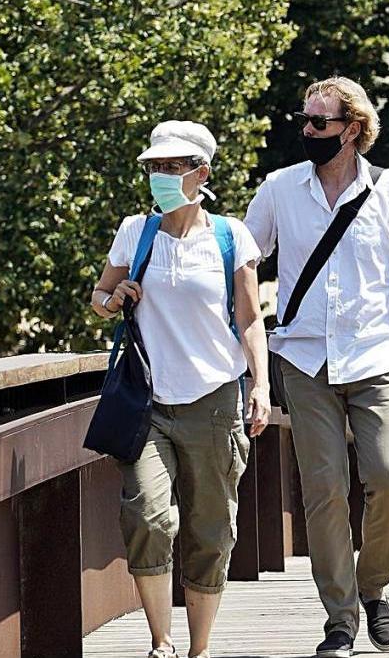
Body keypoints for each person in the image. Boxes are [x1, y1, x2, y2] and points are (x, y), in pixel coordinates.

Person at [244, 76, 389, 658]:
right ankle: (340, 618)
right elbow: (242, 261)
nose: (306, 131)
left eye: (319, 123)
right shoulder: (279, 189)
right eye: (303, 121)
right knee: (323, 490)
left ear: (353, 130)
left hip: (376, 356)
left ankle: (372, 588)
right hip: (303, 357)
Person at [91, 121, 270, 658]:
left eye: (174, 168)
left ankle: (200, 648)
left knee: (210, 528)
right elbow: (99, 298)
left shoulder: (230, 235)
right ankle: (161, 642)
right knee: (148, 515)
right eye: (155, 168)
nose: (162, 177)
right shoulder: (135, 231)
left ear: (202, 173)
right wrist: (114, 296)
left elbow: (249, 318)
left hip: (214, 398)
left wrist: (259, 385)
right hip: (148, 400)